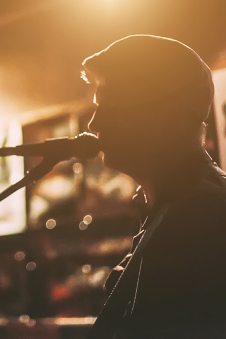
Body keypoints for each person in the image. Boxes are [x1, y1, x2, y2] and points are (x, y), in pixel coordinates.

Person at [82, 35, 226, 338]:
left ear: (171, 116)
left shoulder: (208, 216)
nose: (93, 124)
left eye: (109, 104)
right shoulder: (173, 207)